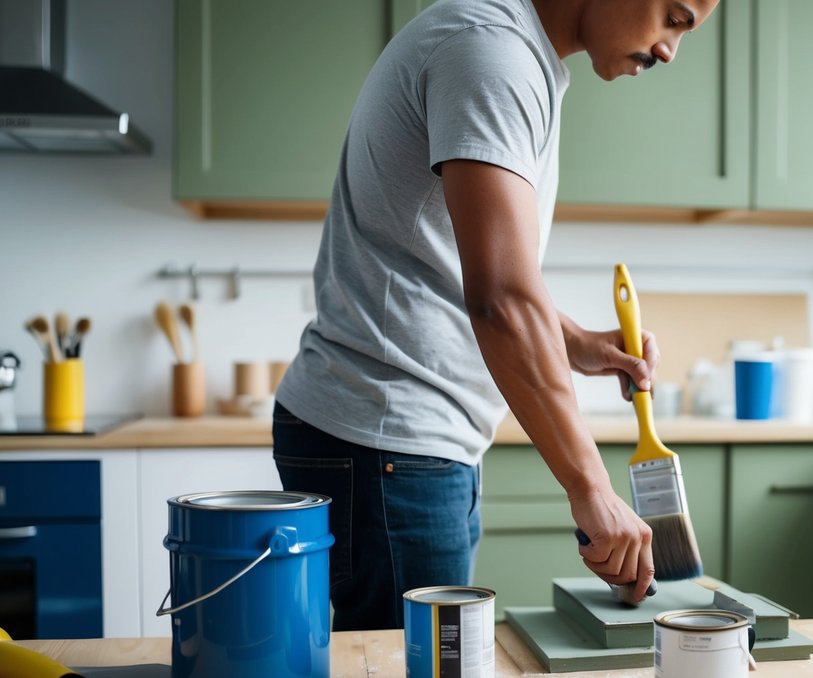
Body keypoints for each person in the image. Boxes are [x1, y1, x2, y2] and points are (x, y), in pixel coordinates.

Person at [272, 0, 720, 631]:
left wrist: (577, 342)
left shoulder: (509, 51)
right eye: (674, 17)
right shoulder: (492, 54)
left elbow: (459, 269)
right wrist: (591, 487)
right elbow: (503, 299)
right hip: (389, 435)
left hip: (398, 437)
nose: (671, 49)